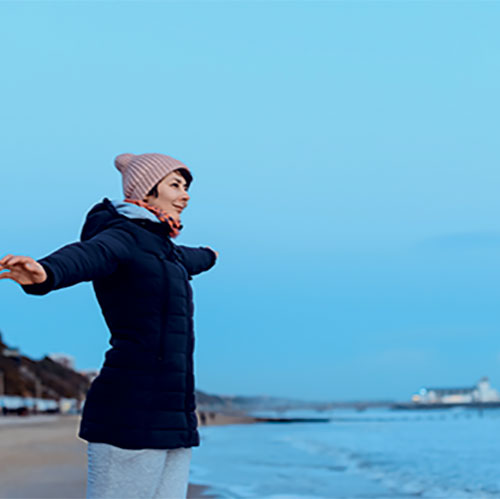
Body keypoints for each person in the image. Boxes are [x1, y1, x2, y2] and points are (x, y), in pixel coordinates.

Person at [0, 153, 218, 499]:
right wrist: (45, 272)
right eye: (175, 185)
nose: (185, 194)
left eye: (186, 187)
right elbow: (87, 255)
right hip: (129, 410)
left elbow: (193, 258)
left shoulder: (167, 251)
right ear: (146, 193)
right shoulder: (122, 236)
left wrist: (210, 255)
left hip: (174, 416)